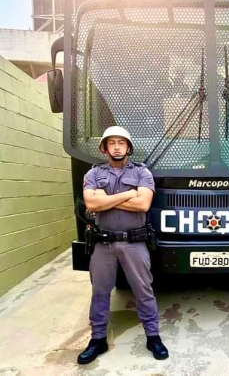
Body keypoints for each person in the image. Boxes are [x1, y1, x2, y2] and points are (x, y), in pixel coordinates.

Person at [77, 126, 168, 365]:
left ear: (128, 147)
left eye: (121, 143)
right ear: (104, 148)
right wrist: (128, 194)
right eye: (112, 143)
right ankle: (98, 339)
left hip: (134, 243)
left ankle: (153, 337)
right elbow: (91, 204)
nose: (117, 147)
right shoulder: (94, 173)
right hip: (103, 243)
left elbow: (143, 205)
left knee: (143, 290)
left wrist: (105, 199)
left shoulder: (142, 173)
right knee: (100, 292)